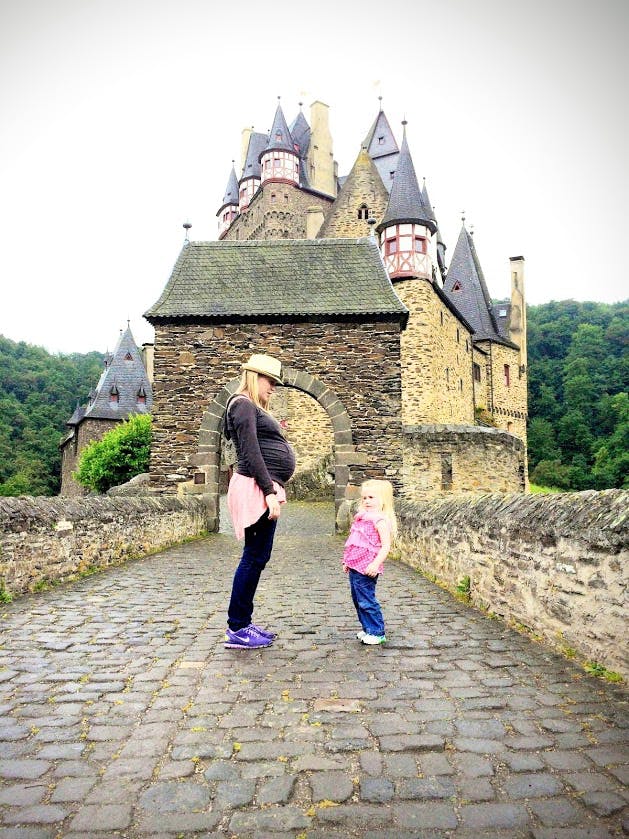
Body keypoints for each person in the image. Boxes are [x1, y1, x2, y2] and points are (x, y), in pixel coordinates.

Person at [223, 354, 296, 649]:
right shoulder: (241, 403)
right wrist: (268, 491)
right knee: (253, 558)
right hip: (255, 487)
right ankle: (238, 628)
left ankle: (243, 622)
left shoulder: (248, 406)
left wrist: (276, 430)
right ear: (255, 377)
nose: (273, 388)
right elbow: (251, 451)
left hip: (259, 486)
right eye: (270, 381)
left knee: (257, 557)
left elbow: (258, 441)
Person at [342, 479, 397, 645]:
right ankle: (367, 628)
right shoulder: (362, 518)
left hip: (367, 567)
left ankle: (377, 632)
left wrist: (375, 564)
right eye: (364, 498)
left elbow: (385, 546)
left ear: (383, 500)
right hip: (355, 566)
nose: (366, 501)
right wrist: (347, 561)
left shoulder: (380, 521)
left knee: (367, 600)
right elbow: (354, 541)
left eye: (371, 497)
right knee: (357, 599)